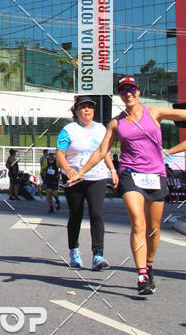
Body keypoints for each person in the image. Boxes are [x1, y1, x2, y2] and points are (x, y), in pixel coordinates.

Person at [68, 76, 186, 295]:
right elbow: (101, 151)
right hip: (131, 174)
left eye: (131, 89)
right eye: (123, 91)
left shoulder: (155, 112)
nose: (128, 93)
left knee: (154, 229)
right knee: (137, 222)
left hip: (156, 174)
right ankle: (141, 274)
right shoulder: (116, 122)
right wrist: (81, 173)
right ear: (120, 95)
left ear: (138, 92)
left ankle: (149, 265)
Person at [56, 96, 117, 270]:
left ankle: (98, 255)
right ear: (76, 111)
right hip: (75, 178)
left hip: (97, 177)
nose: (87, 110)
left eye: (90, 107)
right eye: (83, 107)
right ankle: (74, 250)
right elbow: (60, 153)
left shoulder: (100, 129)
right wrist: (68, 169)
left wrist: (112, 170)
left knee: (96, 214)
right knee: (76, 215)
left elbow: (103, 152)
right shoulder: (68, 130)